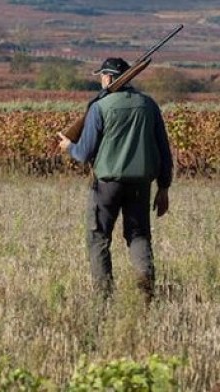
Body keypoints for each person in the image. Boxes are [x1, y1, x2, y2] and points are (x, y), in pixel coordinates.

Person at [57, 57, 173, 302]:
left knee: (98, 236)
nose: (101, 80)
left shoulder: (100, 107)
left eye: (102, 76)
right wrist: (163, 187)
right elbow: (164, 150)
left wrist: (68, 146)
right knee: (139, 235)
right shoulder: (149, 105)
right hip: (141, 185)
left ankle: (104, 296)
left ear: (109, 78)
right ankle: (146, 290)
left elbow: (84, 153)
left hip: (107, 185)